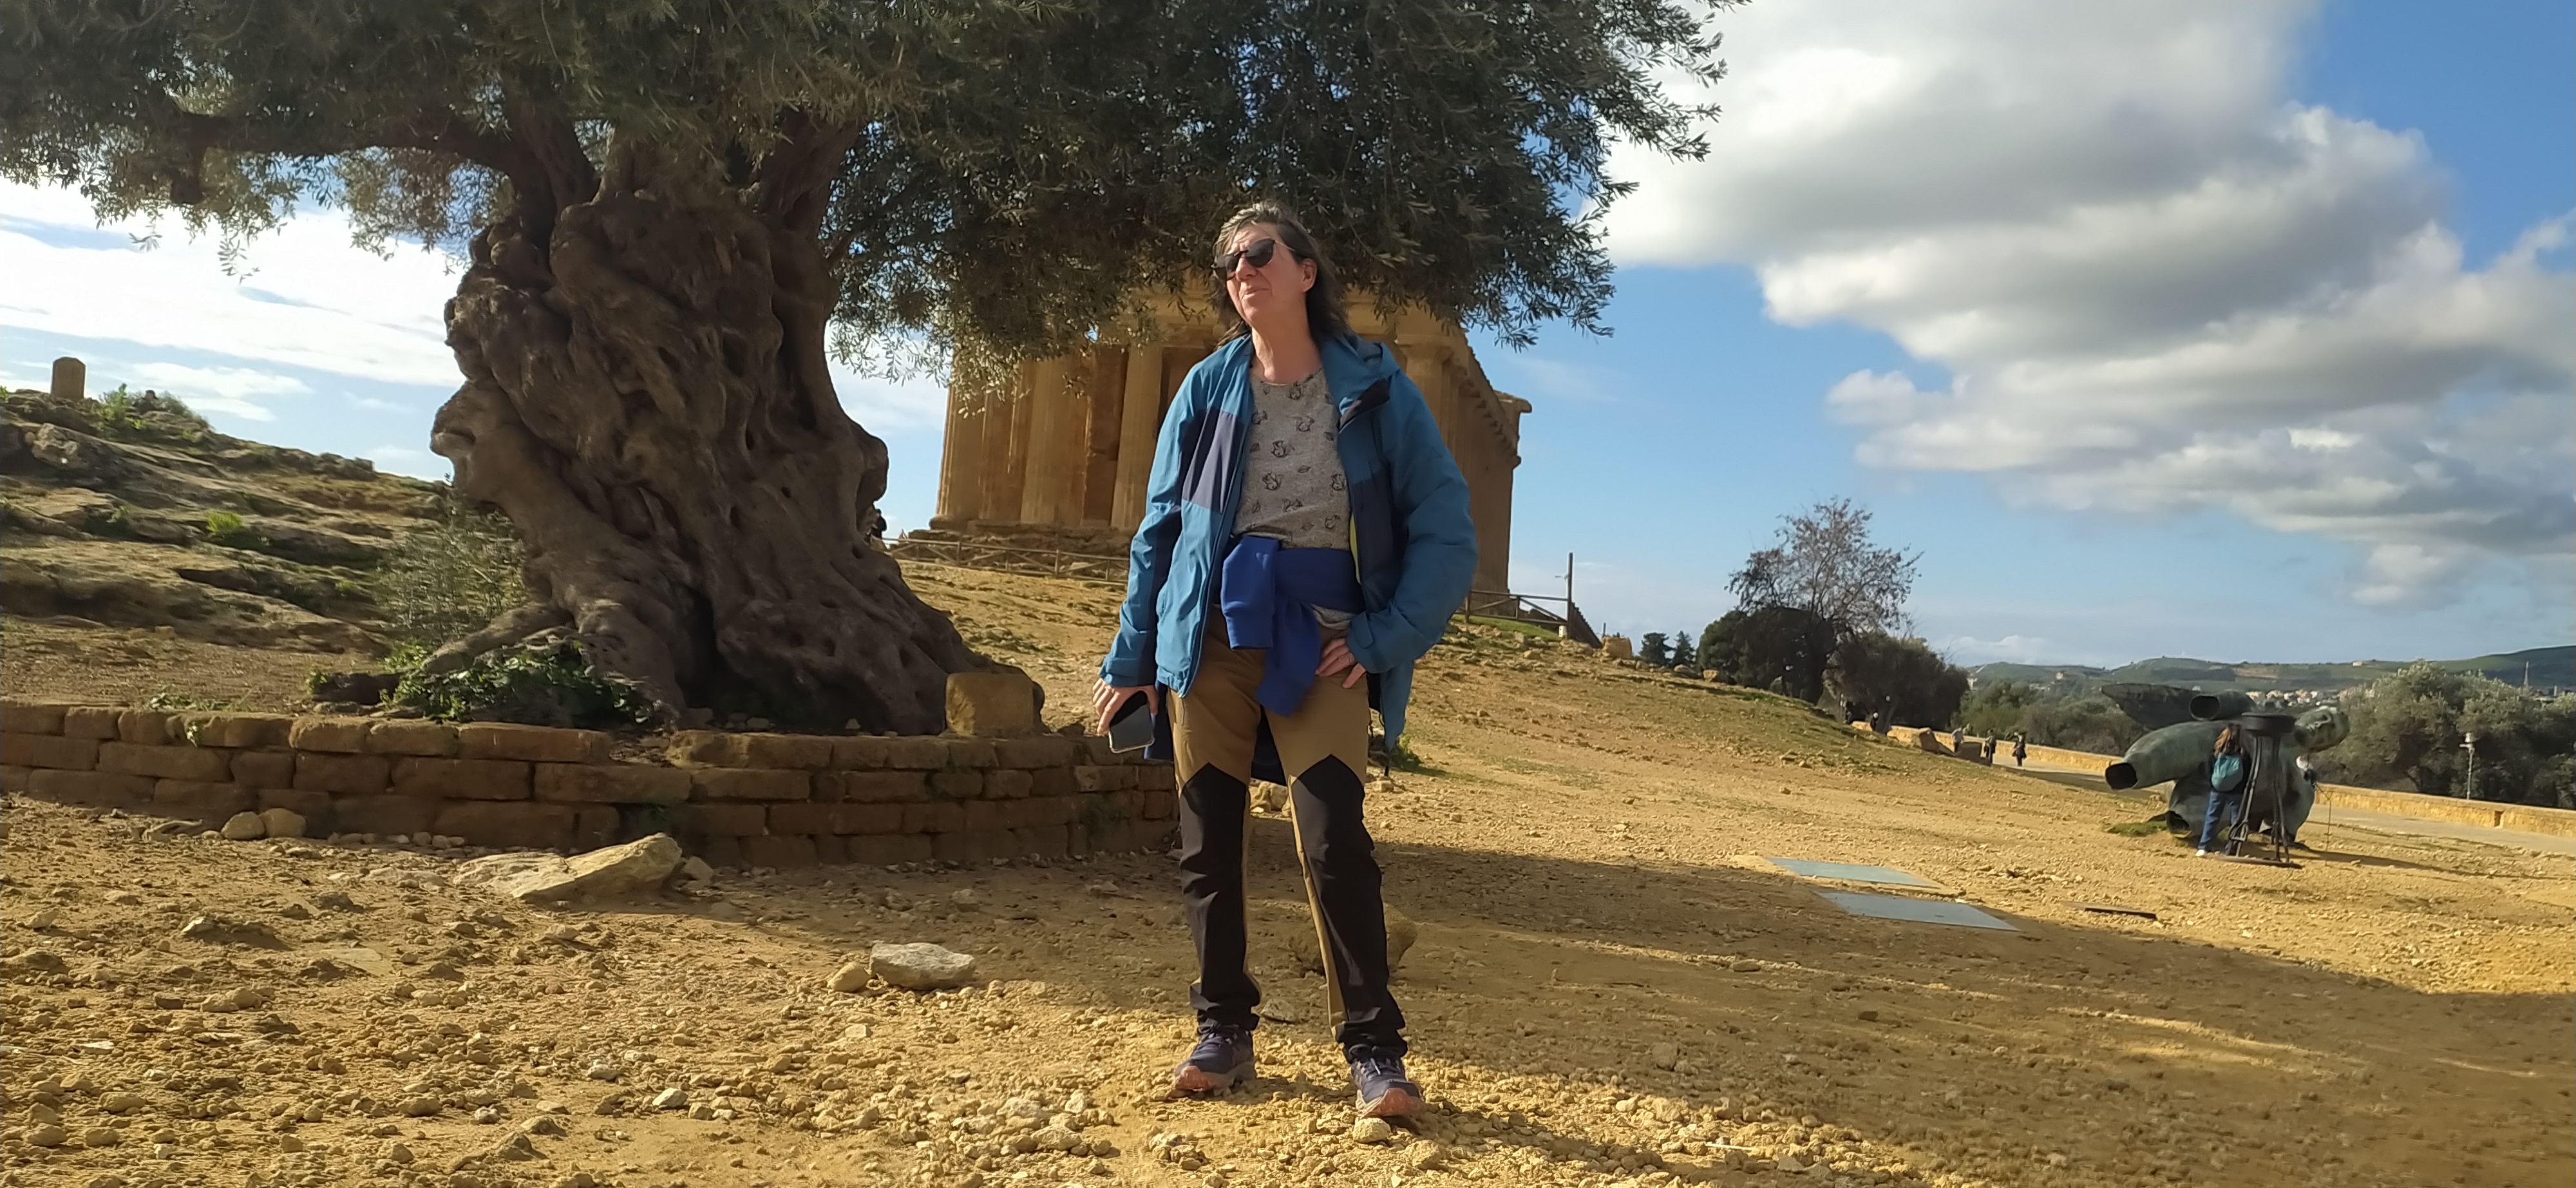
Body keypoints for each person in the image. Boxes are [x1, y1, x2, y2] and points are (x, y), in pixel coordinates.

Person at [1093, 201, 1475, 1120]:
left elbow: (1446, 527)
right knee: (1207, 843)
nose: (1242, 270)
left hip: (1323, 641)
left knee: (1335, 839)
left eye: (1260, 252)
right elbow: (1160, 528)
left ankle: (1375, 1051)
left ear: (1307, 270)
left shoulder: (1378, 387)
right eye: (1228, 262)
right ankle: (1222, 1030)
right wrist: (1134, 654)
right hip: (1210, 637)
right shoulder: (1207, 387)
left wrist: (1382, 637)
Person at [2197, 723, 2251, 857]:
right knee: (2236, 820)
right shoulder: (2244, 755)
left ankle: (2204, 847)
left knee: (2212, 817)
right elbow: (2247, 774)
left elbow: (2208, 769)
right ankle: (2232, 849)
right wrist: (2242, 787)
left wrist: (2213, 784)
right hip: (2237, 792)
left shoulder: (2216, 753)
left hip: (2217, 790)